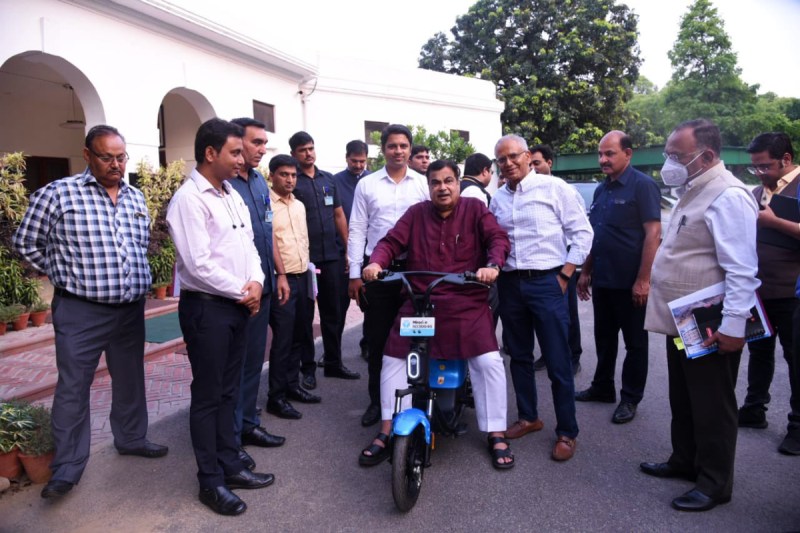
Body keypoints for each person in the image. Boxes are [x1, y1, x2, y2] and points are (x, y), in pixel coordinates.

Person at [14, 124, 168, 500]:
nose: (116, 165)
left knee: (130, 378)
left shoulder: (134, 197)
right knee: (73, 387)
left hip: (129, 309)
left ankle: (131, 438)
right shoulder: (58, 194)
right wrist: (59, 270)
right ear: (87, 155)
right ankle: (67, 467)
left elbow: (139, 244)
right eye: (106, 157)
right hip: (80, 310)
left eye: (121, 157)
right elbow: (24, 243)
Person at [358, 160, 513, 468]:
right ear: (428, 187)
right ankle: (387, 429)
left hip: (465, 303)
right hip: (420, 304)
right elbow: (390, 242)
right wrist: (376, 263)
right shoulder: (416, 214)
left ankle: (496, 432)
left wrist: (492, 266)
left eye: (448, 181)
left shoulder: (475, 209)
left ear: (458, 183)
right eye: (436, 183)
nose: (442, 187)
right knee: (393, 359)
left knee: (489, 362)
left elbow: (497, 239)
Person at [642, 119, 760, 512]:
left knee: (712, 403)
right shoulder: (692, 188)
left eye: (677, 155)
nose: (669, 162)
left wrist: (732, 327)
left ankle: (714, 483)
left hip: (711, 324)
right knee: (685, 396)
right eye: (668, 153)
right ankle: (685, 460)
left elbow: (742, 269)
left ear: (707, 156)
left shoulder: (728, 195)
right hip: (684, 321)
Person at [167, 118, 274, 516]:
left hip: (237, 305)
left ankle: (231, 464)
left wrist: (258, 283)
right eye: (234, 151)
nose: (242, 157)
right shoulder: (188, 200)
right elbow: (197, 266)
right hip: (208, 310)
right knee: (209, 396)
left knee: (230, 392)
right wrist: (242, 292)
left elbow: (248, 246)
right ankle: (209, 481)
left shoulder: (231, 193)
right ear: (210, 153)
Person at [490, 135, 593, 462]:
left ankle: (567, 431)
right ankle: (529, 417)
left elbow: (583, 234)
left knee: (557, 359)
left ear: (527, 156)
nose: (507, 164)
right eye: (501, 160)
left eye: (513, 157)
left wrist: (565, 275)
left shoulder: (555, 188)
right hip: (510, 284)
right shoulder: (498, 199)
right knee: (518, 355)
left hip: (548, 281)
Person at [575, 131, 661, 424]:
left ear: (628, 153)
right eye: (601, 154)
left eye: (609, 154)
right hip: (604, 280)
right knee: (604, 338)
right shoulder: (602, 190)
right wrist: (585, 271)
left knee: (635, 343)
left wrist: (643, 280)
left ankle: (630, 398)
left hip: (631, 282)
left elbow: (653, 234)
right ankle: (602, 387)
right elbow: (594, 234)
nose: (603, 159)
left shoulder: (643, 186)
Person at [347, 124, 429, 427]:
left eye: (403, 146)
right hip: (378, 273)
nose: (398, 151)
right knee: (379, 340)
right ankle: (377, 403)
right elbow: (357, 229)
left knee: (418, 339)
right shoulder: (367, 185)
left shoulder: (423, 184)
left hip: (417, 273)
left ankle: (418, 400)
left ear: (410, 149)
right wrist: (355, 274)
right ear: (383, 150)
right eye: (392, 146)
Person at [228, 118, 287, 464]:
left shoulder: (260, 183)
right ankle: (230, 436)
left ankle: (248, 423)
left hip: (264, 284)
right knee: (234, 368)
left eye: (265, 143)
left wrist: (279, 273)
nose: (262, 150)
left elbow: (268, 232)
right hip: (238, 291)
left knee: (253, 363)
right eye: (256, 143)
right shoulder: (224, 185)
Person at [739, 132, 800, 455]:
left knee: (796, 360)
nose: (760, 173)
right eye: (755, 168)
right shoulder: (754, 192)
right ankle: (754, 409)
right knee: (759, 352)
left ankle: (797, 426)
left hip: (792, 292)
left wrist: (774, 223)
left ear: (786, 159)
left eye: (765, 166)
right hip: (757, 291)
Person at [289, 131, 359, 387]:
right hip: (304, 262)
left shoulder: (328, 180)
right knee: (305, 317)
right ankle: (307, 369)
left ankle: (333, 362)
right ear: (294, 154)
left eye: (311, 148)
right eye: (302, 150)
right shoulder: (292, 181)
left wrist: (349, 250)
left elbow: (339, 215)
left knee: (334, 312)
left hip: (332, 257)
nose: (308, 153)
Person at [265, 154, 320, 419]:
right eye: (284, 175)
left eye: (293, 175)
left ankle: (292, 386)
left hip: (303, 277)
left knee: (300, 335)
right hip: (282, 280)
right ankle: (275, 397)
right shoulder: (266, 204)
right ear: (272, 175)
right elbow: (267, 243)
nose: (289, 180)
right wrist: (280, 275)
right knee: (283, 339)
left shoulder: (298, 205)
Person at [528, 144, 583, 375]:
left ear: (549, 163)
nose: (533, 168)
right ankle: (547, 354)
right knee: (543, 318)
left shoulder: (563, 190)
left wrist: (568, 269)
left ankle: (573, 357)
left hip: (562, 265)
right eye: (530, 164)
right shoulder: (525, 192)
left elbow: (580, 231)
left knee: (567, 314)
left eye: (537, 163)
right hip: (538, 268)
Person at [332, 140, 371, 360]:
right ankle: (333, 353)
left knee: (370, 303)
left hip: (370, 253)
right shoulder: (335, 182)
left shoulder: (372, 180)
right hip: (341, 253)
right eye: (354, 161)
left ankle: (368, 344)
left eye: (362, 161)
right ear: (346, 158)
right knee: (339, 305)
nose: (358, 165)